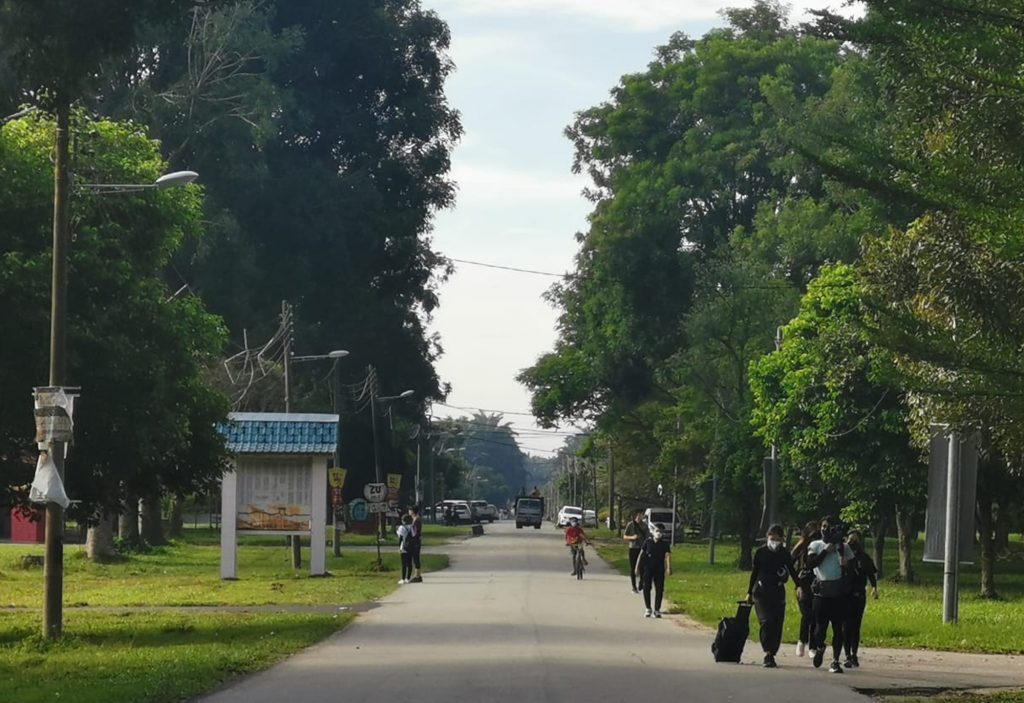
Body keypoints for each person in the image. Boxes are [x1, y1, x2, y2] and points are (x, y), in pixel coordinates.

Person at [806, 515, 855, 674]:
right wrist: (826, 552)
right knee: (820, 628)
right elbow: (810, 564)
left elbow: (853, 569)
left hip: (838, 593)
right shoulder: (816, 545)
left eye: (830, 527)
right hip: (821, 592)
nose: (826, 530)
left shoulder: (844, 547)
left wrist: (846, 563)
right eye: (824, 526)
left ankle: (835, 661)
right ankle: (820, 646)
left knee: (838, 629)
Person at [746, 524, 798, 668]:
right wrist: (749, 592)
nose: (774, 541)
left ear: (782, 539)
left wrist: (799, 586)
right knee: (766, 621)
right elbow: (754, 573)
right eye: (772, 538)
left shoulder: (784, 553)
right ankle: (767, 652)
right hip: (761, 592)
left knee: (777, 623)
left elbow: (792, 571)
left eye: (777, 539)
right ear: (767, 537)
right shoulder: (761, 553)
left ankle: (772, 652)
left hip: (777, 592)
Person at [844, 530, 879, 668]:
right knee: (846, 626)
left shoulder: (864, 558)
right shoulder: (843, 557)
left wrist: (874, 588)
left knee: (855, 625)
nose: (851, 542)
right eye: (849, 539)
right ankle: (846, 655)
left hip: (859, 595)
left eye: (855, 539)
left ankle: (854, 654)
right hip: (846, 595)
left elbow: (871, 574)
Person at [791, 520, 821, 659]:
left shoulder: (820, 548)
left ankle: (813, 645)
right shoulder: (801, 548)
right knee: (806, 614)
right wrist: (797, 585)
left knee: (815, 615)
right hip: (803, 584)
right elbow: (791, 565)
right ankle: (802, 640)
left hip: (817, 584)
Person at [636, 522, 672, 618]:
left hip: (659, 569)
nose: (658, 533)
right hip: (648, 568)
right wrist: (637, 568)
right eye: (657, 531)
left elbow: (668, 556)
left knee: (659, 589)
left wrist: (669, 568)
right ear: (653, 531)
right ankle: (648, 608)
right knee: (646, 588)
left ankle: (657, 609)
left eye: (661, 531)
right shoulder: (648, 542)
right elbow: (641, 555)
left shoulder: (664, 544)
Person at [623, 509, 649, 594]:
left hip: (642, 548)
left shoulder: (644, 525)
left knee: (642, 567)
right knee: (633, 567)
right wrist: (632, 537)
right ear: (638, 514)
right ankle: (634, 586)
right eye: (641, 514)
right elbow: (625, 536)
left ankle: (641, 583)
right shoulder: (630, 524)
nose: (642, 516)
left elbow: (648, 537)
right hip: (633, 548)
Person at [407, 506, 424, 583]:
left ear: (413, 511)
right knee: (415, 558)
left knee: (416, 558)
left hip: (415, 542)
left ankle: (417, 576)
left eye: (410, 510)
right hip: (415, 541)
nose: (409, 511)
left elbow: (415, 532)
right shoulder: (415, 519)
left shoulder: (417, 520)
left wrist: (412, 539)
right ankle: (417, 575)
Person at [396, 513, 413, 584]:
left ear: (403, 520)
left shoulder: (402, 527)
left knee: (403, 564)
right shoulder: (412, 527)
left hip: (404, 547)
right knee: (409, 563)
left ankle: (403, 578)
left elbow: (401, 539)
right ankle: (408, 578)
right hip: (411, 547)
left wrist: (399, 547)